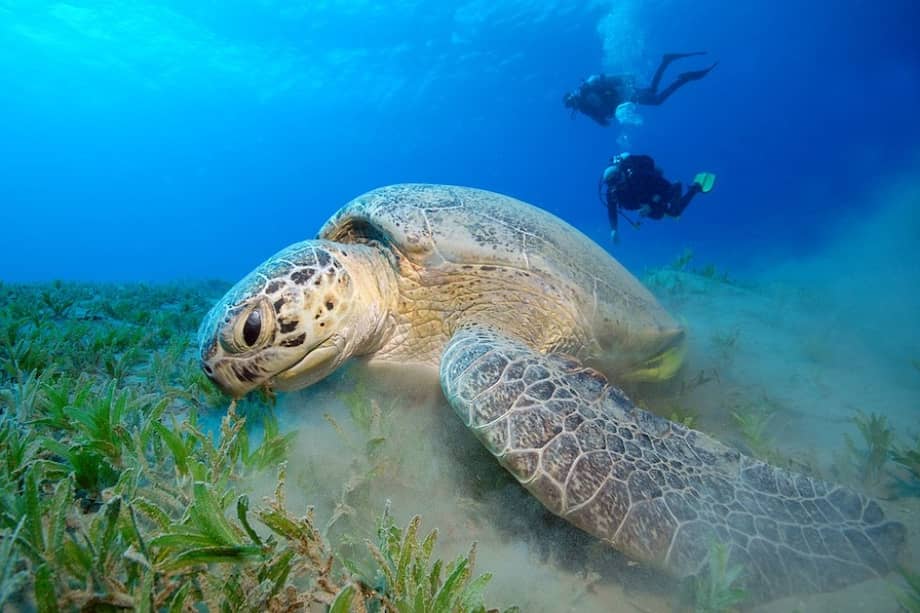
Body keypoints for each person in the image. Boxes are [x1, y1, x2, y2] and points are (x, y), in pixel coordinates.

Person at [564, 52, 717, 126]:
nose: (574, 105)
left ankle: (682, 77)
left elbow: (603, 120)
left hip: (625, 96)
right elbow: (602, 117)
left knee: (656, 99)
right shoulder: (585, 102)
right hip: (624, 96)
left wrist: (627, 78)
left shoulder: (586, 101)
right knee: (653, 91)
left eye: (572, 104)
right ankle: (668, 63)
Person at [600, 153, 716, 242]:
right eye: (617, 184)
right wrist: (614, 229)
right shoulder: (613, 192)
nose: (621, 185)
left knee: (675, 212)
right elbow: (612, 210)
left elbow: (665, 187)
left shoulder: (639, 176)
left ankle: (694, 188)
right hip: (645, 201)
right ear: (611, 185)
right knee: (658, 215)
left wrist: (652, 204)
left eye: (621, 179)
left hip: (656, 190)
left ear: (623, 174)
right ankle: (664, 207)